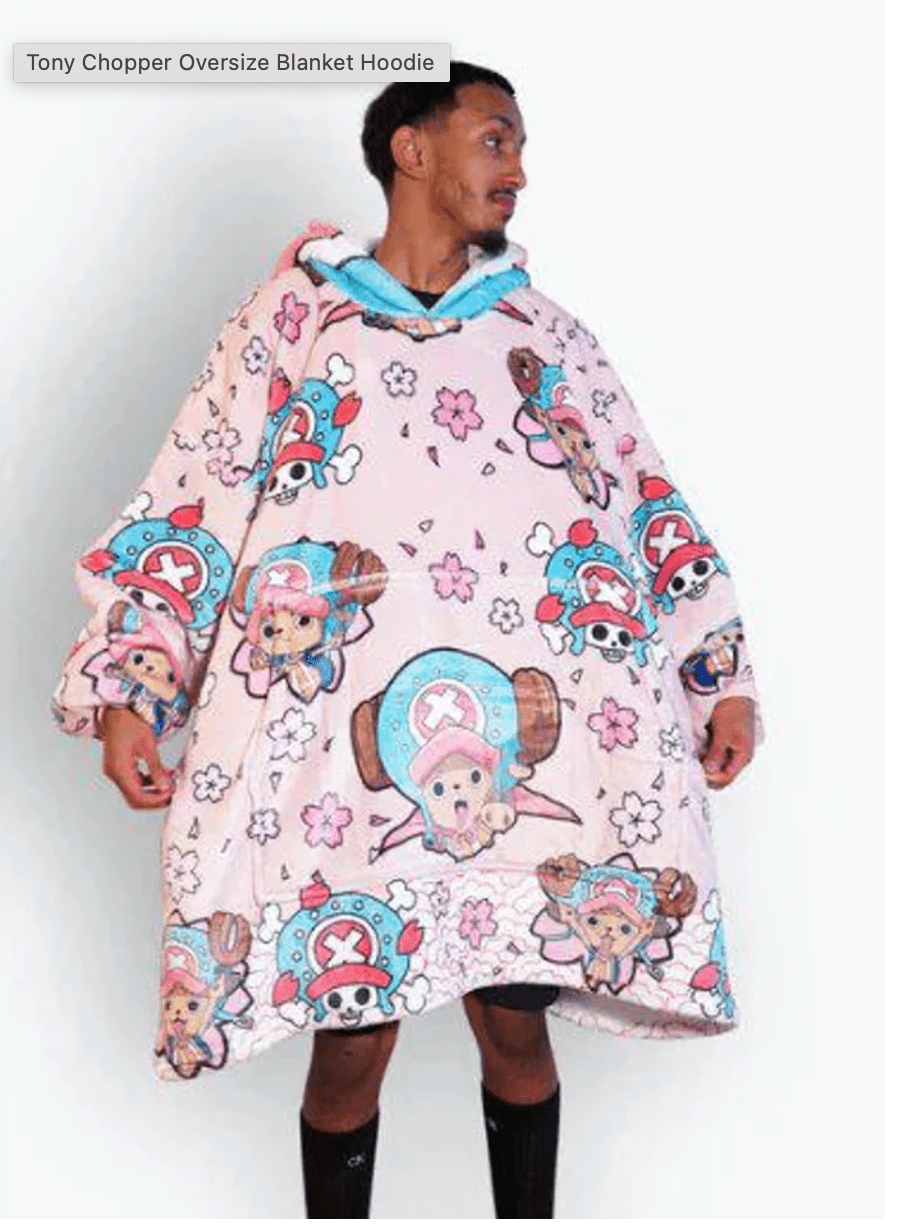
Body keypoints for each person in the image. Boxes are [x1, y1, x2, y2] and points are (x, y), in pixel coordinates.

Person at [51, 61, 764, 1219]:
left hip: (518, 765)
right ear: (411, 148)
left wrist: (712, 672)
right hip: (340, 755)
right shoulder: (293, 322)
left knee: (516, 1028)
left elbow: (641, 505)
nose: (516, 168)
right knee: (351, 1044)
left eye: (519, 145)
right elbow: (194, 501)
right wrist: (133, 687)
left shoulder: (545, 338)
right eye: (494, 138)